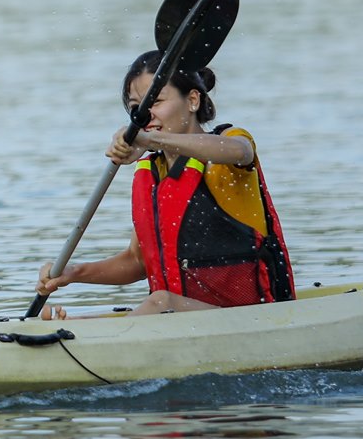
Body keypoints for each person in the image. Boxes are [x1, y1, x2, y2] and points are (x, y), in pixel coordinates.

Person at [34, 52, 293, 318]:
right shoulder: (154, 173)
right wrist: (74, 273)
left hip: (257, 318)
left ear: (193, 100)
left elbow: (241, 152)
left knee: (162, 302)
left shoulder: (228, 144)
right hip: (187, 321)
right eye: (137, 108)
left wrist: (151, 141)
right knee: (156, 305)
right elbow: (138, 261)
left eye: (155, 102)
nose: (145, 115)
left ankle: (79, 339)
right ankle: (70, 332)